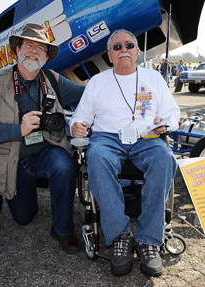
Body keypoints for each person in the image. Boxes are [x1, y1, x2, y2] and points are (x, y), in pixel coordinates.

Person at [70, 29, 180, 277]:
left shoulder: (153, 78)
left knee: (165, 158)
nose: (123, 50)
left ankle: (149, 239)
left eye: (128, 45)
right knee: (96, 158)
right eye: (116, 47)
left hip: (147, 137)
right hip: (107, 138)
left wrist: (167, 123)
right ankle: (120, 235)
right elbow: (80, 117)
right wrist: (75, 126)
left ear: (137, 51)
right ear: (110, 55)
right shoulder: (98, 82)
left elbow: (174, 113)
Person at [0, 23, 85, 254]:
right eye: (29, 45)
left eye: (41, 48)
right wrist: (17, 130)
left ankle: (62, 229)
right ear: (18, 50)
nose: (34, 51)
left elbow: (89, 94)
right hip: (13, 160)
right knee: (24, 217)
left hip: (46, 151)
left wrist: (122, 80)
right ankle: (27, 192)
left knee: (64, 164)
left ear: (46, 56)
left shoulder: (52, 79)